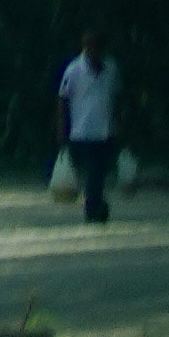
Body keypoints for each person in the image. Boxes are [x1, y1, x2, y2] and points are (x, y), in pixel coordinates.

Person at [57, 31, 124, 223]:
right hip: (83, 131)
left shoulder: (111, 69)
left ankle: (96, 204)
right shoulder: (74, 70)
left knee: (100, 171)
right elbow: (62, 100)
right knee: (93, 171)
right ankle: (94, 207)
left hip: (105, 130)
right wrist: (62, 129)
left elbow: (117, 99)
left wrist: (119, 125)